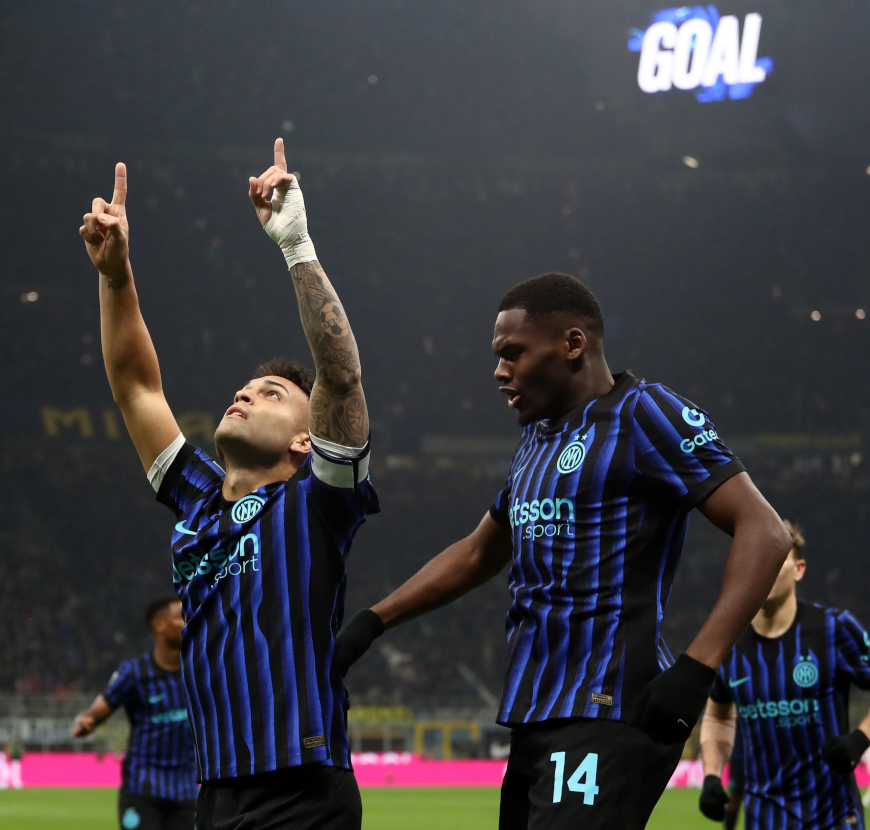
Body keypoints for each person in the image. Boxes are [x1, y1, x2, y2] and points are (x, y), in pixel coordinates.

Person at [334, 273, 792, 830]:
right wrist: (372, 622)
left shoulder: (645, 413)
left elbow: (764, 531)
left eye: (512, 354)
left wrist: (698, 668)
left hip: (609, 705)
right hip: (535, 712)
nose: (499, 373)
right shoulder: (537, 439)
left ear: (573, 344)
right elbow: (480, 552)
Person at [79, 138, 376, 830]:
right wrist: (116, 277)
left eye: (270, 394)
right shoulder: (197, 500)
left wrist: (294, 243)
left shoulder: (316, 503)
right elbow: (135, 387)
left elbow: (340, 376)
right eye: (242, 389)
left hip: (300, 788)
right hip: (214, 793)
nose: (243, 396)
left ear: (307, 440)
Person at [699, 521, 870, 829]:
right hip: (764, 819)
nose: (763, 567)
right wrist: (712, 775)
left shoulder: (834, 629)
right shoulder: (728, 643)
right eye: (755, 559)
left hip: (834, 817)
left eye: (775, 558)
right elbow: (717, 717)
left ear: (799, 569)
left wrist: (859, 740)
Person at [72, 596, 198, 830]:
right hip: (143, 788)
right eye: (181, 617)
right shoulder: (134, 673)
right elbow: (101, 708)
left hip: (186, 788)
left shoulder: (198, 670)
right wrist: (88, 721)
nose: (189, 621)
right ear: (159, 625)